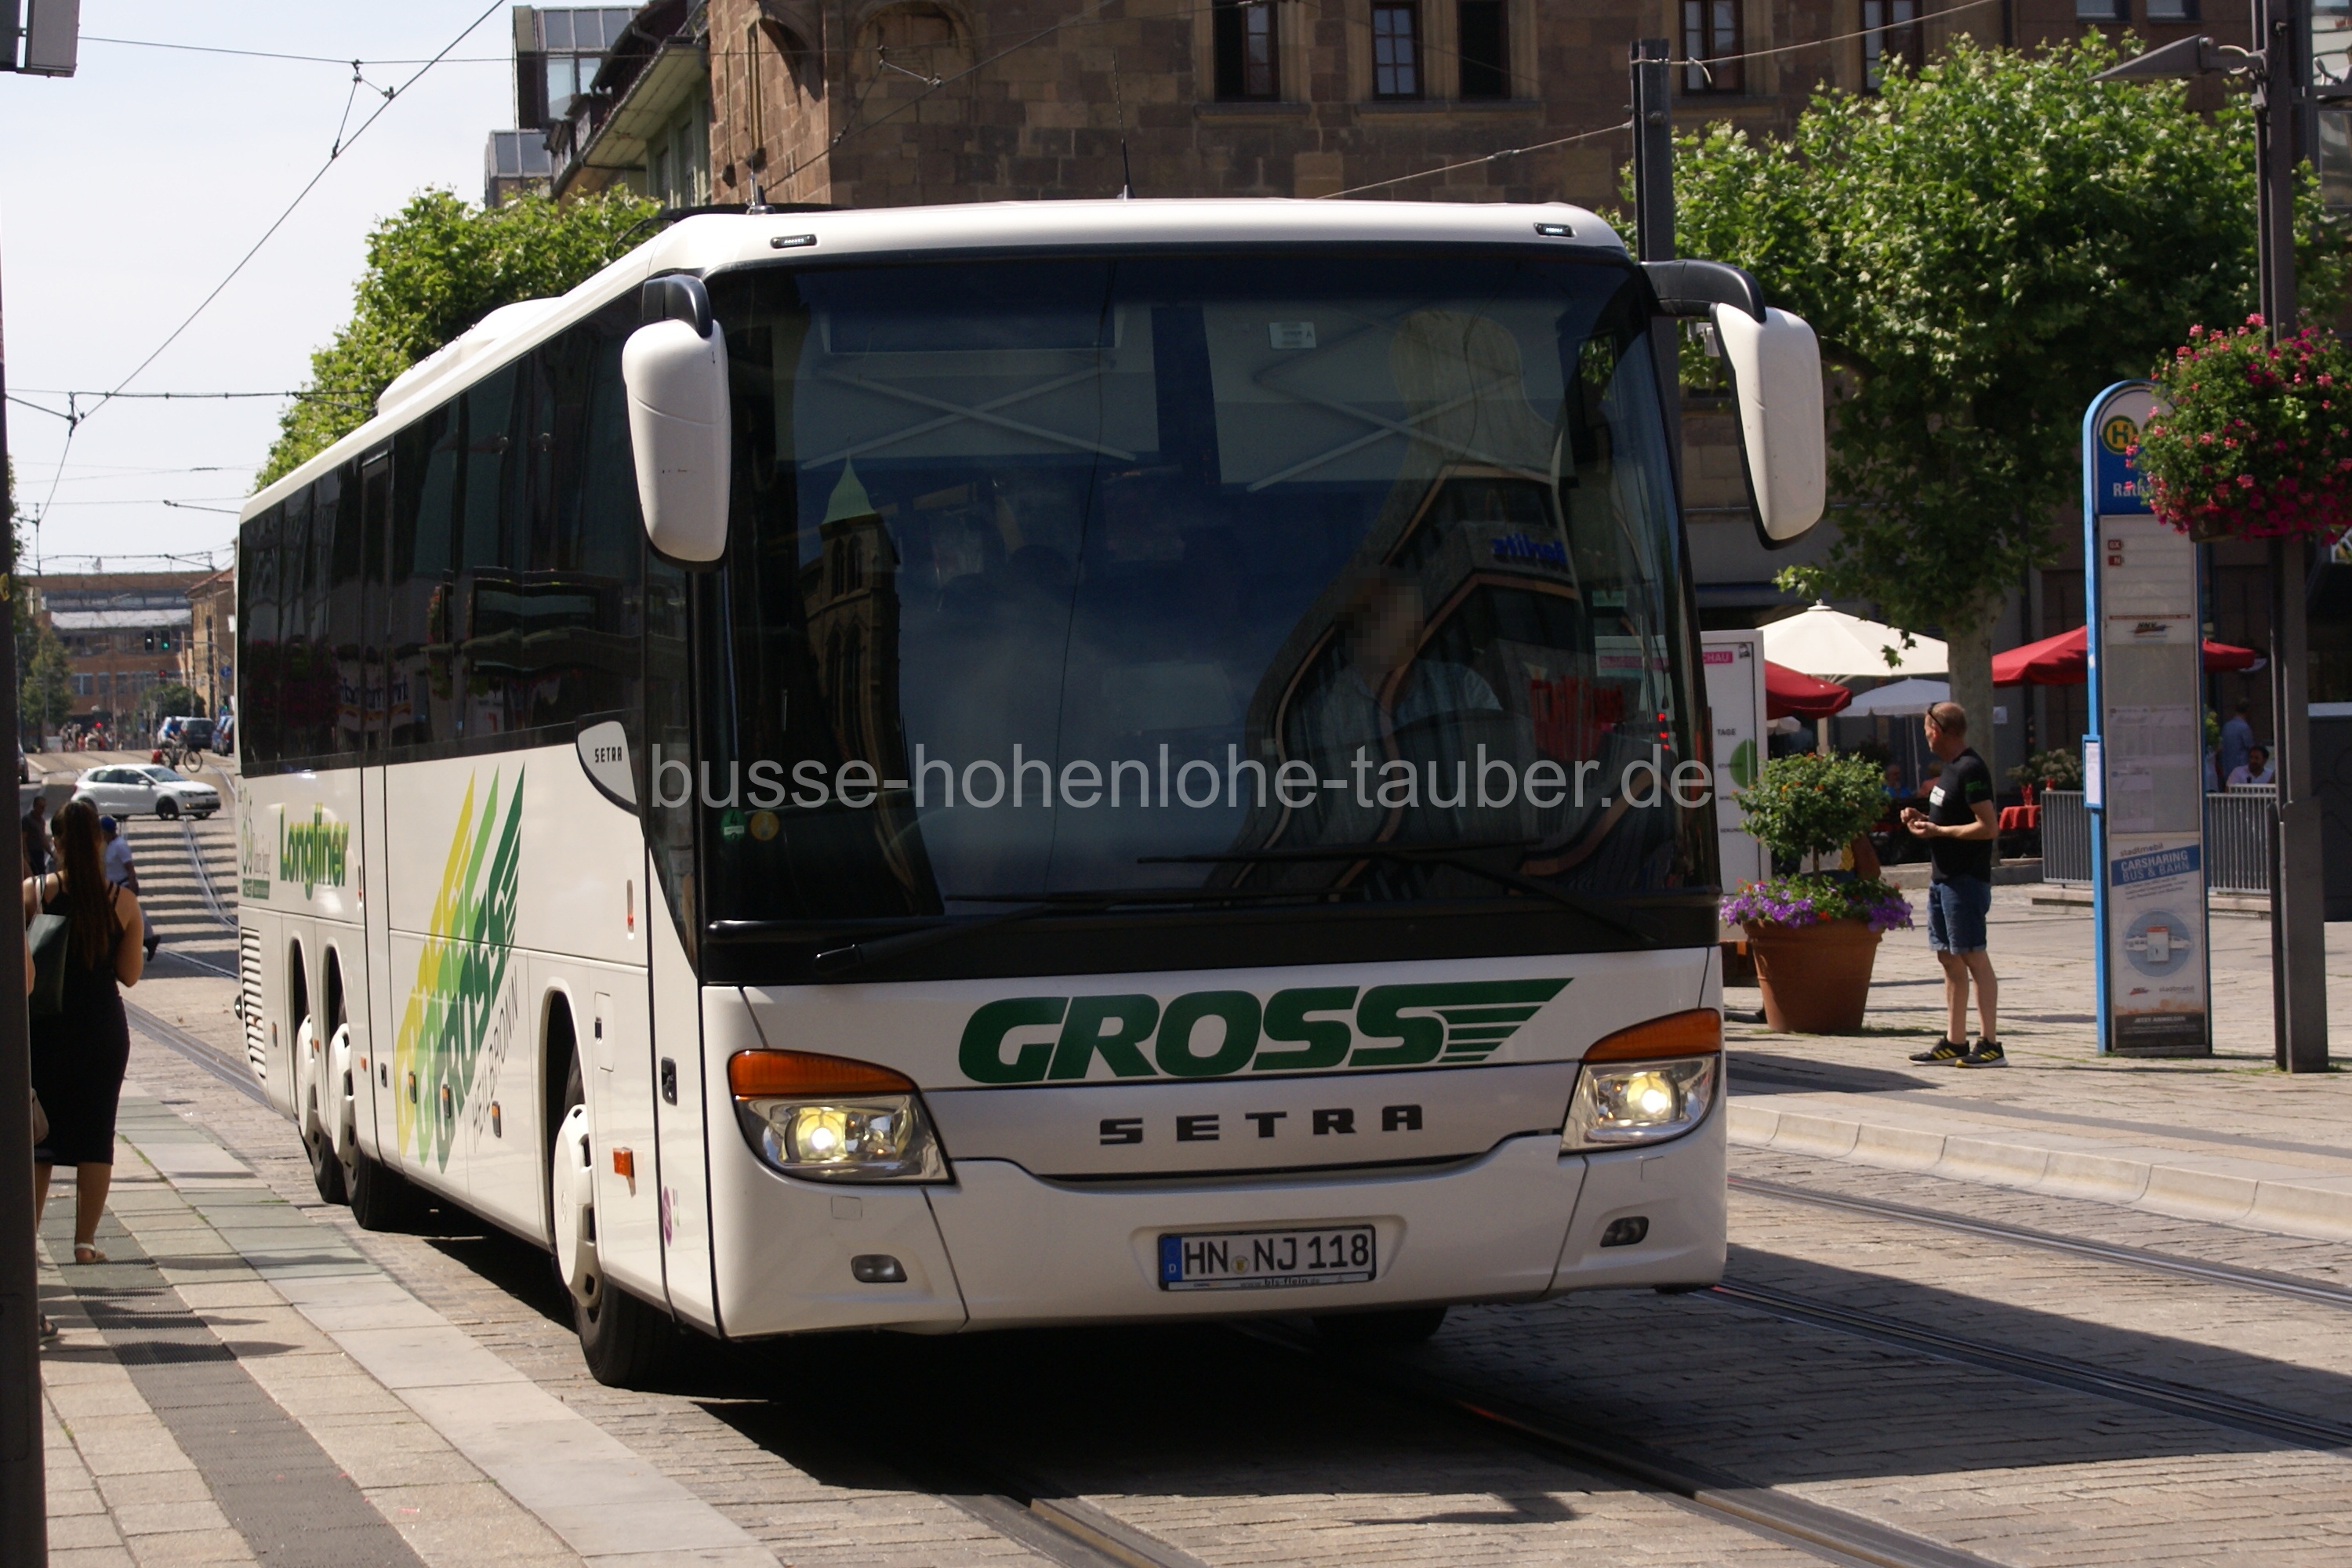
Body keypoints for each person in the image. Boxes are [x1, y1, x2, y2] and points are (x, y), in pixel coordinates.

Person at [27, 798, 145, 1266]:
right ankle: (84, 1242)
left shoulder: (33, 893)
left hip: (44, 1030)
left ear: (55, 843)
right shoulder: (122, 902)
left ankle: (29, 1239)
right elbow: (130, 975)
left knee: (39, 1138)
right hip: (101, 1033)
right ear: (99, 841)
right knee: (97, 1134)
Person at [1900, 701, 2003, 1067]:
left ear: (1938, 730)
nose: (1926, 736)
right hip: (1943, 878)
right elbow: (1949, 818)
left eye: (1926, 729)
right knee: (1948, 957)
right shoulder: (1950, 770)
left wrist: (1940, 831)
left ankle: (1990, 1044)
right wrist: (1922, 819)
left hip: (1965, 880)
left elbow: (1988, 827)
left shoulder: (1971, 768)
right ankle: (1955, 1041)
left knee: (1973, 955)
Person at [98, 816, 159, 960]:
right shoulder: (108, 845)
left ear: (107, 832)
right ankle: (148, 940)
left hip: (123, 885)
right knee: (128, 914)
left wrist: (132, 888)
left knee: (130, 914)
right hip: (112, 887)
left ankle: (145, 940)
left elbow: (130, 869)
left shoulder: (120, 846)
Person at [2220, 699, 2255, 783]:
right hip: (2241, 770)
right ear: (2248, 710)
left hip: (2227, 769)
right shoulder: (2244, 728)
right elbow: (2251, 748)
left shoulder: (2227, 726)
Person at [20, 797, 47, 880]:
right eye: (41, 807)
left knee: (42, 875)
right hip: (31, 852)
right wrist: (26, 854)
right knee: (34, 876)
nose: (42, 810)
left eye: (44, 807)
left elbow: (42, 838)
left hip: (40, 852)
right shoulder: (27, 820)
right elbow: (23, 838)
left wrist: (51, 853)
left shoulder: (42, 821)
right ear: (35, 806)